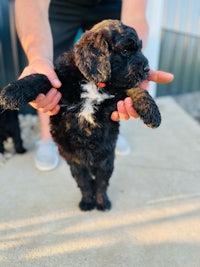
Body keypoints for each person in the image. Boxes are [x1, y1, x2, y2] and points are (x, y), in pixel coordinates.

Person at [14, 0, 174, 171]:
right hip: (58, 4)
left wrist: (130, 64)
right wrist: (39, 59)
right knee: (53, 71)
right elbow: (32, 3)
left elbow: (135, 13)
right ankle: (48, 138)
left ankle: (106, 128)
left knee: (111, 65)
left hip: (109, 4)